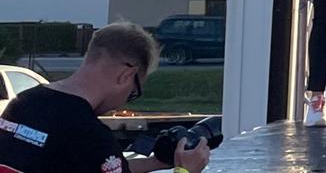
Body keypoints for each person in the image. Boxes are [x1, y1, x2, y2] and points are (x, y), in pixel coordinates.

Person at [0, 22, 210, 172]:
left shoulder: (23, 102)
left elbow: (90, 164)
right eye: (133, 92)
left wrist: (156, 163)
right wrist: (185, 171)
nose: (123, 102)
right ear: (125, 75)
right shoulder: (90, 136)